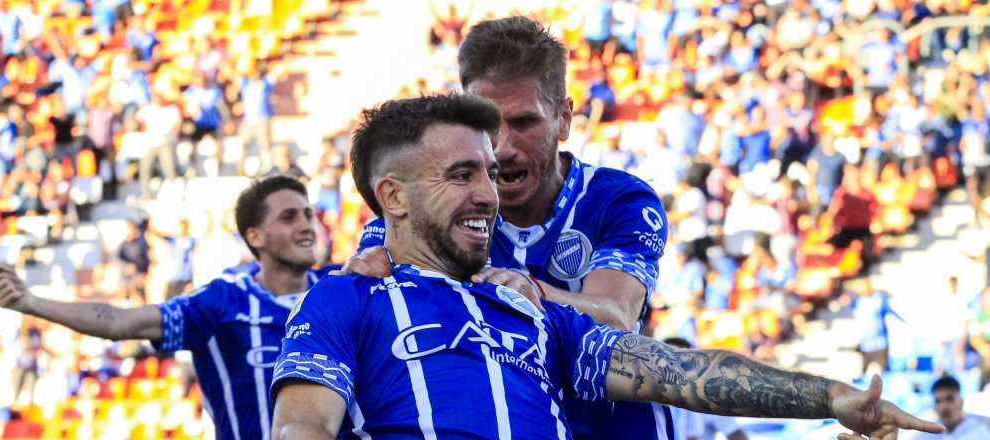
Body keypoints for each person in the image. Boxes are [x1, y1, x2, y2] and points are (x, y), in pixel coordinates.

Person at [271, 93, 943, 440]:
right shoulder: (345, 302)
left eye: (487, 171)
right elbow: (302, 427)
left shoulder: (529, 311)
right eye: (460, 173)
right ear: (392, 197)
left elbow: (677, 372)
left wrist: (831, 399)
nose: (488, 190)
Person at [347, 17, 670, 438]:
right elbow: (367, 279)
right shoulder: (438, 206)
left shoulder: (618, 201)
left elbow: (618, 317)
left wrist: (529, 291)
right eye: (487, 125)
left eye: (524, 123)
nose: (502, 147)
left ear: (565, 119)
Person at [0, 175, 334, 440]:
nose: (306, 225)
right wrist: (29, 302)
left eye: (307, 214)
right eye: (289, 217)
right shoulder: (222, 303)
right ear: (254, 236)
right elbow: (119, 322)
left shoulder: (342, 291)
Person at [663, 337, 748, 440]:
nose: (675, 366)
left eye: (683, 361)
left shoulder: (708, 396)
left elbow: (736, 434)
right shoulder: (652, 402)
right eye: (670, 359)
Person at [902, 376, 990, 440]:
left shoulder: (978, 432)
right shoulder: (928, 433)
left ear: (961, 402)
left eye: (949, 399)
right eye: (938, 401)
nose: (944, 406)